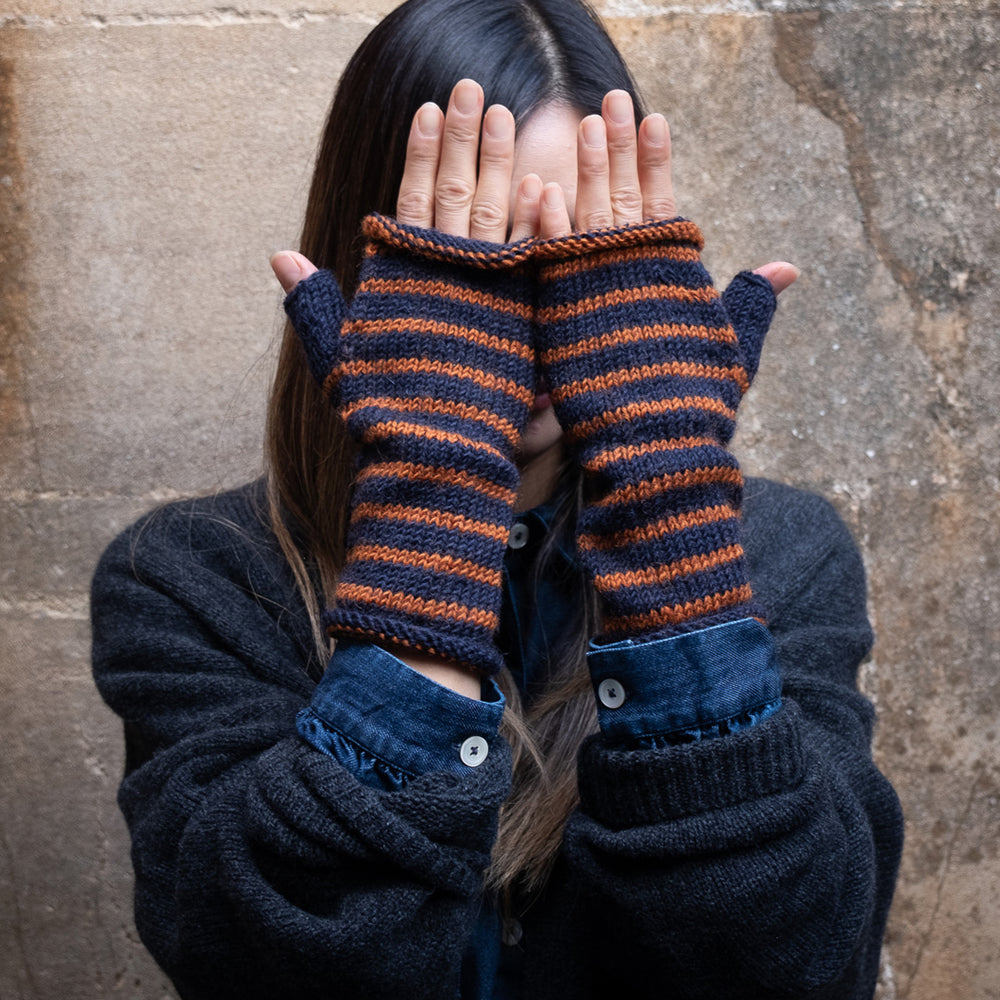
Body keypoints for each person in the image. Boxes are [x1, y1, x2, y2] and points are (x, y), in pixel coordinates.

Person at [90, 0, 903, 997]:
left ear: (637, 271)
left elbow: (801, 966)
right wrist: (432, 510)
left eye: (571, 258)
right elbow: (264, 962)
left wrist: (667, 516)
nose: (521, 320)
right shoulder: (189, 580)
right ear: (367, 267)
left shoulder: (782, 555)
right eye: (474, 256)